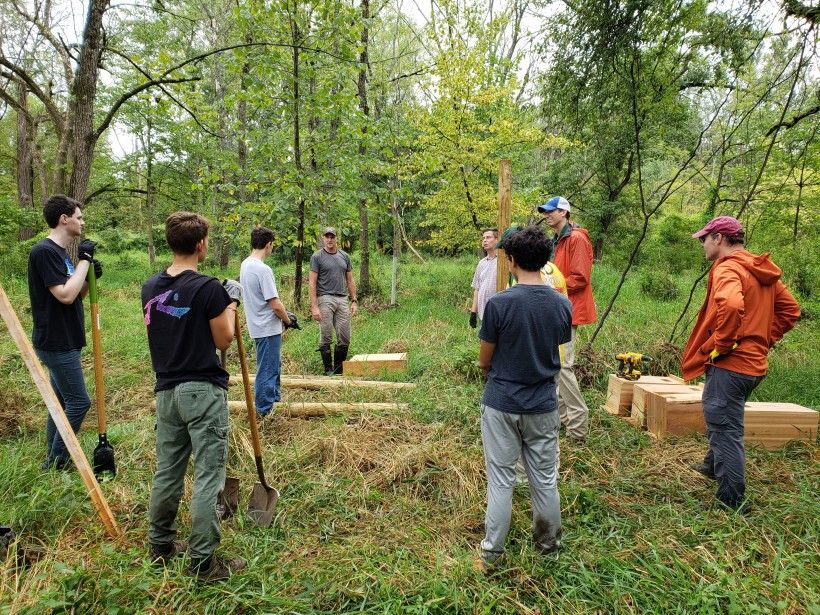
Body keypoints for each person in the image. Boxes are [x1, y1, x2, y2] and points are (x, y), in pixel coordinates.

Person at [142, 211, 246, 582]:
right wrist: (230, 303)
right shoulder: (207, 288)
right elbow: (223, 339)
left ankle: (160, 545)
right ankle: (204, 563)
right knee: (208, 475)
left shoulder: (150, 287)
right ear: (201, 245)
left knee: (168, 470)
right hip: (201, 389)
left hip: (166, 390)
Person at [682, 216, 800, 512]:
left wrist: (724, 343)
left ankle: (731, 500)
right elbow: (790, 311)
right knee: (722, 418)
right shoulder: (759, 269)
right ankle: (711, 467)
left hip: (732, 365)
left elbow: (732, 305)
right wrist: (761, 339)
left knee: (725, 429)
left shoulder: (729, 268)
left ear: (719, 238)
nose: (703, 244)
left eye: (704, 239)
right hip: (752, 365)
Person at [477, 225, 572, 569]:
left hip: (501, 403)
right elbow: (557, 346)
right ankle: (549, 547)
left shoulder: (500, 304)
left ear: (512, 260)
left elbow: (485, 358)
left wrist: (492, 368)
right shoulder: (562, 305)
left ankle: (492, 554)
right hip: (544, 404)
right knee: (545, 478)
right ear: (545, 259)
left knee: (501, 479)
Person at [28, 194, 101, 471]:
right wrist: (83, 260)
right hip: (56, 341)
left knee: (60, 403)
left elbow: (76, 294)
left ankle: (54, 456)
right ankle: (57, 461)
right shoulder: (44, 251)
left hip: (66, 337)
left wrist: (89, 274)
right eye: (79, 217)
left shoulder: (59, 253)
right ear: (64, 219)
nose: (82, 222)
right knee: (79, 402)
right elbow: (64, 295)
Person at [538, 196, 596, 443]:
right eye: (545, 212)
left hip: (569, 311)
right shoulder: (558, 240)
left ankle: (578, 427)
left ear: (564, 212)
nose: (547, 215)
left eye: (551, 211)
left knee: (563, 366)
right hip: (558, 309)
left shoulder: (576, 238)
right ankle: (562, 421)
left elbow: (580, 277)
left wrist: (550, 288)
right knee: (554, 366)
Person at [240, 227, 296, 417]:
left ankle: (274, 402)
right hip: (267, 327)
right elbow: (275, 304)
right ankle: (264, 410)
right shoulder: (263, 270)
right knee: (267, 369)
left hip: (257, 325)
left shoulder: (245, 264)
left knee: (272, 366)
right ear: (268, 244)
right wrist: (287, 320)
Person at [309, 227, 358, 375]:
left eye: (332, 237)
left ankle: (338, 369)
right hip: (325, 298)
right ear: (323, 238)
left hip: (342, 299)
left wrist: (354, 300)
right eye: (327, 237)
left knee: (344, 336)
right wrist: (314, 306)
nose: (330, 240)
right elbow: (312, 282)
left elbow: (350, 280)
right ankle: (328, 370)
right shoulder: (317, 257)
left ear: (337, 238)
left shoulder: (344, 256)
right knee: (326, 335)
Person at [469, 228, 499, 329]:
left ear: (497, 240)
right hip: (483, 313)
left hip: (499, 312)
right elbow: (477, 288)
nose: (485, 240)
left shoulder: (504, 262)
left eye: (488, 237)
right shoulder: (481, 263)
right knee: (484, 343)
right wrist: (473, 312)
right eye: (483, 238)